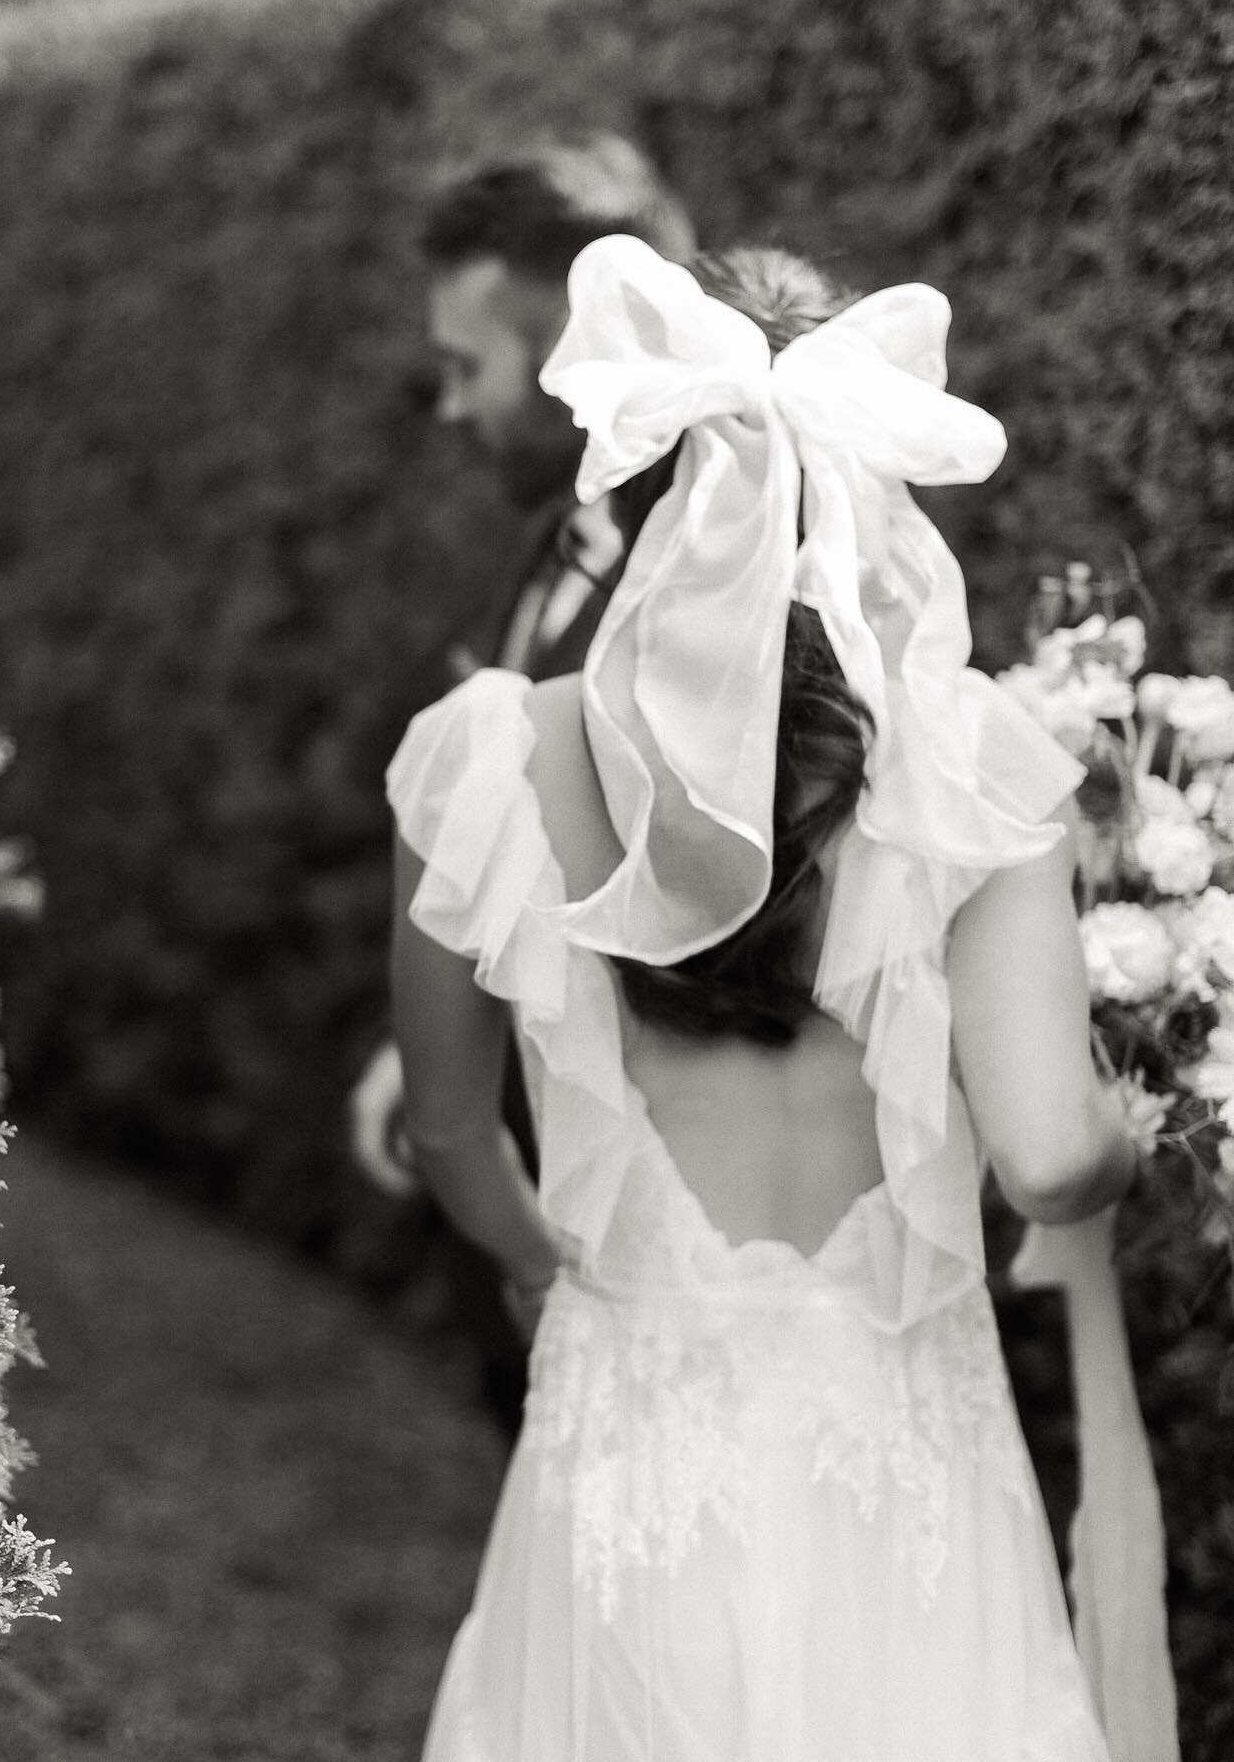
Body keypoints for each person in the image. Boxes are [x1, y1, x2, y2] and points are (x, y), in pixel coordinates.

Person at [387, 234, 1135, 1757]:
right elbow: (1050, 1158)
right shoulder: (975, 769)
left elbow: (452, 1135)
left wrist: (563, 1277)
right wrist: (1133, 1120)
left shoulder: (490, 756)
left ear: (647, 489)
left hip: (630, 1459)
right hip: (914, 1487)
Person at [351, 134, 695, 1435]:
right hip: (517, 1191)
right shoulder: (554, 548)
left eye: (465, 368)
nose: (449, 408)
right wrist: (419, 1045)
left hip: (631, 1233)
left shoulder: (700, 585)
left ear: (569, 348)